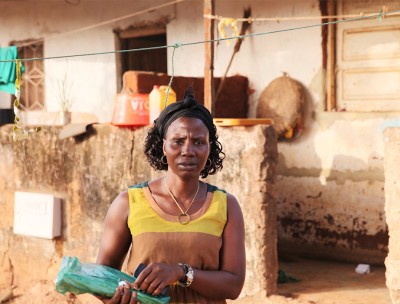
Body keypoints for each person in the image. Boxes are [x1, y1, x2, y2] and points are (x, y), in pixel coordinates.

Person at [96, 89, 246, 304]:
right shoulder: (128, 202)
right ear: (163, 145)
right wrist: (114, 299)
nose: (188, 151)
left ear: (209, 148)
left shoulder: (226, 206)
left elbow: (233, 285)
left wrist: (182, 273)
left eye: (198, 142)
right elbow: (102, 277)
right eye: (178, 141)